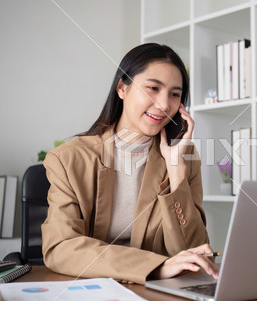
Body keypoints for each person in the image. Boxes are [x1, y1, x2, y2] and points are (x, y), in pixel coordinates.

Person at [41, 43, 218, 284]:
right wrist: (154, 267)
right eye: (153, 88)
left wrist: (176, 173)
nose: (165, 105)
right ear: (122, 88)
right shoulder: (68, 159)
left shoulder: (183, 156)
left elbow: (193, 253)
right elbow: (61, 248)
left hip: (158, 295)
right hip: (94, 292)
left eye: (175, 94)